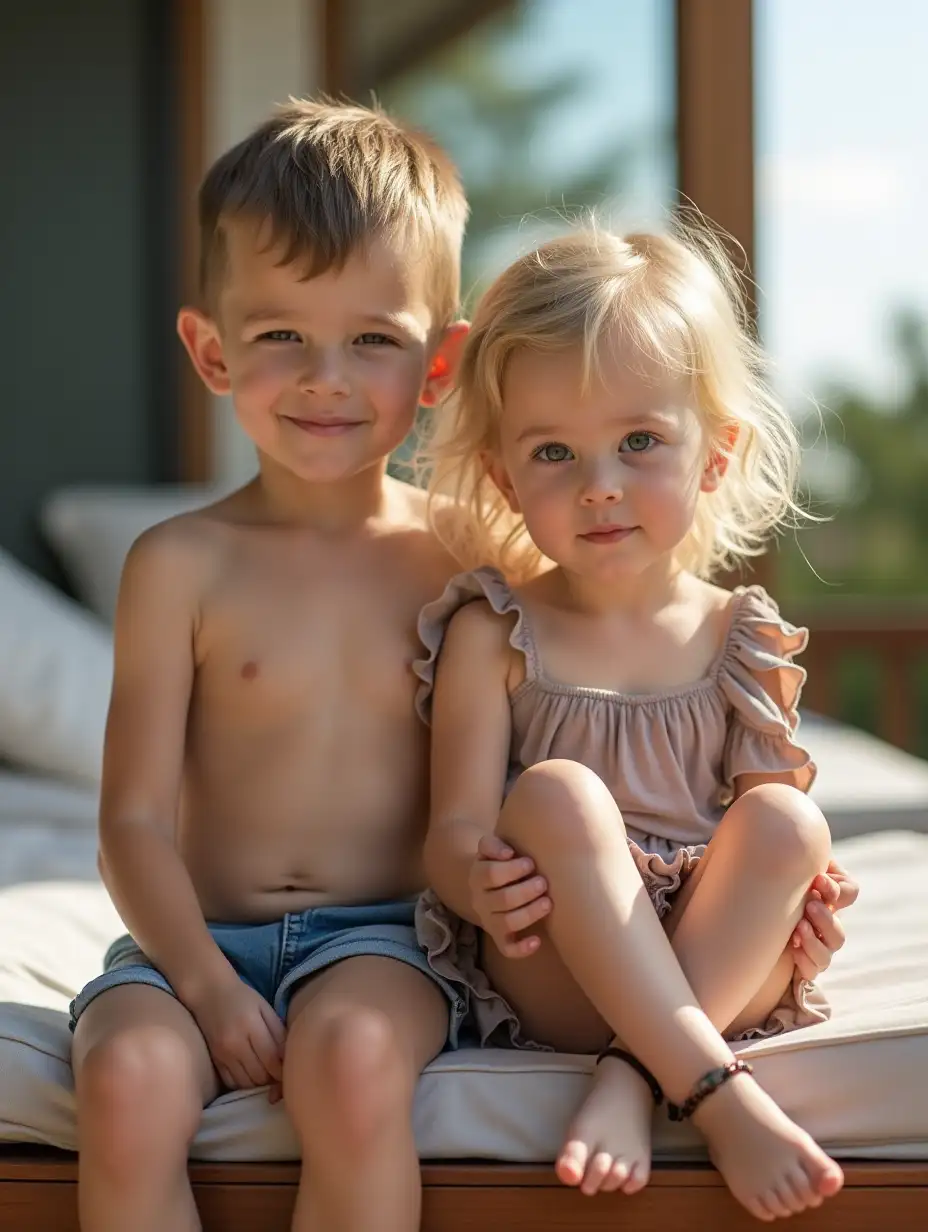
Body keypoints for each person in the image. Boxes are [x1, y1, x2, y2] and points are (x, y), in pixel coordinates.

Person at [68, 98, 470, 1232]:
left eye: (373, 338)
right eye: (281, 333)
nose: (324, 377)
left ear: (438, 364)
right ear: (212, 349)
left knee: (346, 1062)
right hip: (190, 936)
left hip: (389, 937)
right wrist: (200, 980)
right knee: (127, 1078)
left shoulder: (468, 555)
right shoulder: (178, 564)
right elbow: (131, 822)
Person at [415, 225, 859, 1222]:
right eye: (554, 452)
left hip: (707, 962)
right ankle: (707, 1086)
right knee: (558, 794)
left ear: (715, 453)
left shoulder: (739, 633)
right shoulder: (493, 631)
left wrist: (808, 900)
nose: (599, 482)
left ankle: (633, 1075)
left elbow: (765, 845)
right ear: (502, 476)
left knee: (794, 823)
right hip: (559, 958)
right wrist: (473, 877)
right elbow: (448, 833)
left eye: (639, 441)